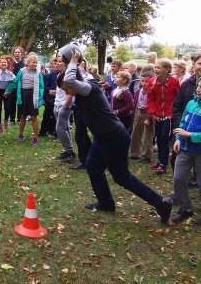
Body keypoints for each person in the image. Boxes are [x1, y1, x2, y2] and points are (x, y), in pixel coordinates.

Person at [57, 47, 172, 224]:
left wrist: (73, 61)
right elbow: (71, 79)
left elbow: (71, 79)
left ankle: (161, 203)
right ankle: (106, 202)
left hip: (115, 137)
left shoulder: (90, 88)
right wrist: (72, 63)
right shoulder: (81, 91)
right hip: (101, 138)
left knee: (121, 177)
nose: (66, 91)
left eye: (66, 88)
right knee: (93, 167)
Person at [171, 77, 201, 223]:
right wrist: (178, 139)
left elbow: (188, 131)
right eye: (198, 86)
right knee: (178, 178)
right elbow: (183, 122)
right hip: (184, 149)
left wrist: (190, 135)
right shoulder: (191, 103)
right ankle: (186, 209)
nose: (198, 90)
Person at [148, 59, 180, 174]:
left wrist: (174, 112)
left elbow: (178, 97)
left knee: (164, 138)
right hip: (157, 115)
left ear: (167, 70)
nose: (156, 69)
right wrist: (152, 113)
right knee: (158, 137)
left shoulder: (174, 82)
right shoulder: (152, 81)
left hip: (169, 115)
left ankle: (163, 163)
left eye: (159, 67)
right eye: (155, 67)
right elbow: (150, 99)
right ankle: (160, 160)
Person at [5, 53, 44, 144]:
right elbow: (15, 81)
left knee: (34, 117)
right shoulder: (22, 71)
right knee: (22, 116)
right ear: (28, 62)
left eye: (36, 62)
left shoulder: (38, 74)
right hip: (23, 95)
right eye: (33, 62)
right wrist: (8, 90)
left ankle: (35, 137)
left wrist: (40, 99)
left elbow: (41, 87)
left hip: (33, 95)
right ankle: (21, 135)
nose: (35, 64)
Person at [129, 72, 154, 164]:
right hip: (138, 111)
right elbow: (135, 103)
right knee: (135, 133)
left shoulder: (152, 91)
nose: (144, 83)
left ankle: (146, 156)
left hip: (147, 112)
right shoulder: (138, 91)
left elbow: (153, 105)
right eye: (142, 81)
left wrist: (149, 117)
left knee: (147, 135)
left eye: (146, 81)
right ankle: (134, 153)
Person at [53, 55, 75, 160]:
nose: (57, 63)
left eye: (60, 61)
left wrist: (65, 106)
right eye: (56, 61)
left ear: (65, 63)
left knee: (60, 129)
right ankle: (69, 151)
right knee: (65, 127)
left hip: (64, 105)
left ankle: (70, 151)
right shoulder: (59, 75)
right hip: (57, 104)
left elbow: (71, 92)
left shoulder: (68, 75)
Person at [0, 56, 15, 133]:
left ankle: (6, 121)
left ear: (7, 65)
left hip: (7, 92)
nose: (4, 63)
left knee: (7, 108)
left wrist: (9, 92)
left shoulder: (10, 73)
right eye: (2, 62)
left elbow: (13, 83)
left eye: (5, 62)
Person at [39, 58, 58, 138]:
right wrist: (49, 91)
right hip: (49, 98)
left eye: (53, 65)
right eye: (50, 66)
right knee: (46, 114)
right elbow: (46, 86)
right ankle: (43, 131)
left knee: (55, 116)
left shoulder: (62, 75)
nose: (52, 67)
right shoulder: (48, 75)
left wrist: (57, 92)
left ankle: (53, 130)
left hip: (58, 99)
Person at [9, 46, 25, 124]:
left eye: (19, 52)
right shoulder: (11, 63)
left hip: (21, 85)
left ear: (21, 54)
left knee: (20, 102)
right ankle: (12, 119)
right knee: (12, 102)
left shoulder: (24, 64)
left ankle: (19, 119)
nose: (17, 53)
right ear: (13, 54)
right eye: (16, 52)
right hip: (13, 85)